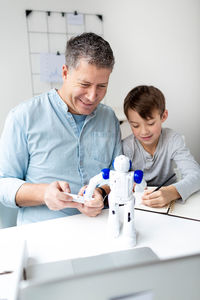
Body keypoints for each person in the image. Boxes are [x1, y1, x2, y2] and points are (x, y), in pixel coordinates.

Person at [0, 32, 122, 225]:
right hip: (44, 233)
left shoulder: (109, 118)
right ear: (65, 73)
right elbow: (3, 184)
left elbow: (117, 175)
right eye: (85, 84)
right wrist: (43, 193)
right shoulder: (23, 117)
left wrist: (100, 192)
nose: (92, 96)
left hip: (101, 227)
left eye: (102, 86)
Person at [122, 85, 200, 208]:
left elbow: (196, 175)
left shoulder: (173, 140)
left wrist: (173, 192)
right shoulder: (126, 147)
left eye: (150, 123)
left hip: (171, 204)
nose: (144, 132)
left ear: (163, 116)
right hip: (138, 206)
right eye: (135, 126)